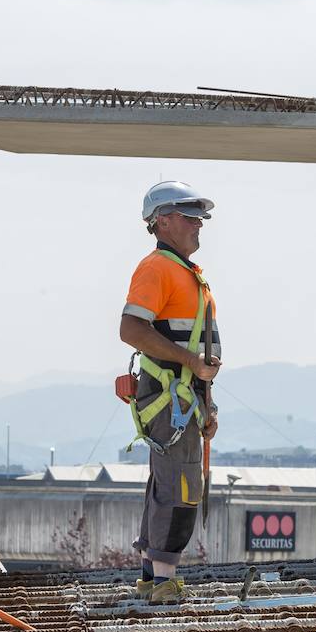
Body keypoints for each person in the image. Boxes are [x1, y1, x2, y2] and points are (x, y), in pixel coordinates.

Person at [119, 181, 221, 604]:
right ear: (162, 221)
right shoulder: (157, 268)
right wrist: (191, 366)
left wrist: (207, 400)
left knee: (170, 480)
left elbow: (198, 349)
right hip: (170, 394)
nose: (199, 224)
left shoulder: (185, 272)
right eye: (189, 216)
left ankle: (152, 574)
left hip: (185, 396)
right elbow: (131, 329)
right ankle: (164, 578)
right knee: (180, 484)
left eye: (200, 217)